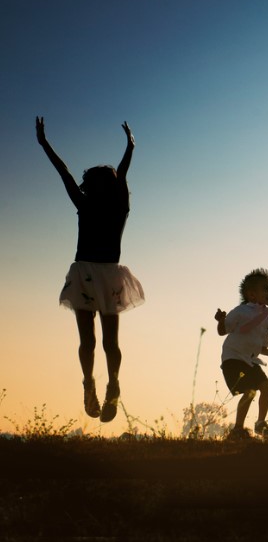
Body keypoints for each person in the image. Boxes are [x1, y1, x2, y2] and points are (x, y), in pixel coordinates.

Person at [36, 117, 145, 423]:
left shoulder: (99, 205)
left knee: (97, 342)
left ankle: (109, 387)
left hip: (97, 274)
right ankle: (95, 386)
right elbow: (67, 174)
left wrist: (45, 143)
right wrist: (130, 147)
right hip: (92, 273)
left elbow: (66, 173)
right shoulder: (109, 206)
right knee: (101, 342)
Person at [214, 268, 268, 439]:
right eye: (266, 289)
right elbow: (223, 331)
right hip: (233, 358)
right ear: (252, 295)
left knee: (266, 387)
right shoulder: (241, 311)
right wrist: (221, 320)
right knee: (250, 390)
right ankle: (238, 429)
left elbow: (259, 347)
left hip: (250, 360)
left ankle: (260, 424)